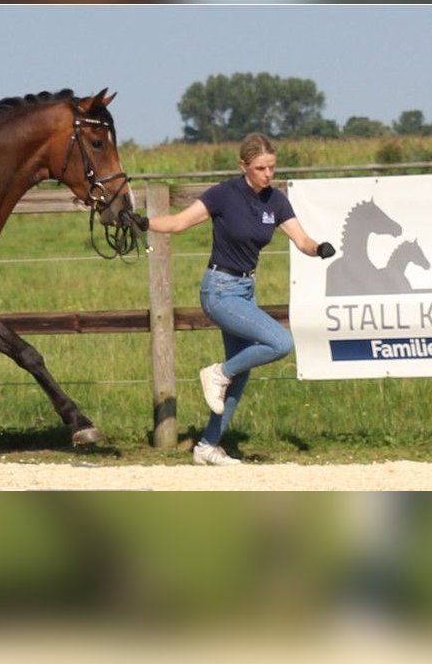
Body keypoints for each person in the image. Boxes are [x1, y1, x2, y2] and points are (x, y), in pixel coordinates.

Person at [127, 133, 335, 466]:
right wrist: (146, 222)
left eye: (272, 167)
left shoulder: (275, 201)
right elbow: (180, 222)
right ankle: (217, 373)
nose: (268, 175)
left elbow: (302, 239)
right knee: (281, 343)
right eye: (260, 168)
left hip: (245, 291)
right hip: (219, 290)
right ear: (243, 166)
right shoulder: (224, 195)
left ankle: (207, 446)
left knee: (243, 373)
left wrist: (319, 249)